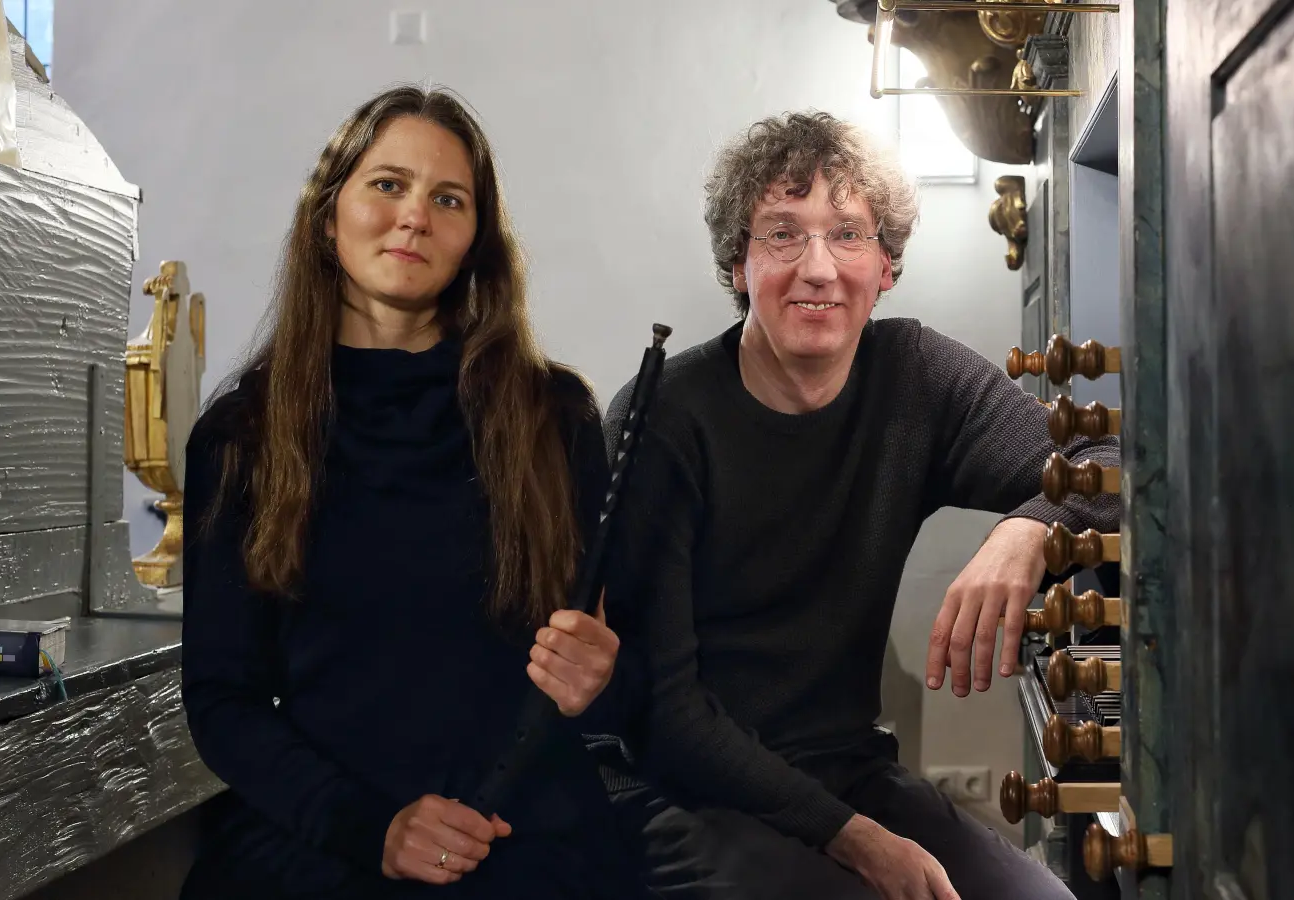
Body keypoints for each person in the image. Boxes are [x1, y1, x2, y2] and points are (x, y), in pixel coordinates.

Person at [597, 111, 1119, 899]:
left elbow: (1108, 468)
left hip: (843, 768)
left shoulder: (916, 373)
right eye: (782, 234)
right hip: (680, 791)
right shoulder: (662, 418)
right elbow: (667, 716)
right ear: (738, 263)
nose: (818, 268)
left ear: (886, 266)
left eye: (847, 234)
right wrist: (860, 842)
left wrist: (1029, 528)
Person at [180, 85, 644, 899]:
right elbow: (223, 701)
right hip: (325, 837)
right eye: (388, 184)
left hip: (524, 838)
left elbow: (626, 681)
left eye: (448, 199)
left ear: (475, 241)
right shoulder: (241, 435)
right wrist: (372, 830)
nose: (415, 217)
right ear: (328, 217)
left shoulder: (556, 418)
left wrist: (602, 679)